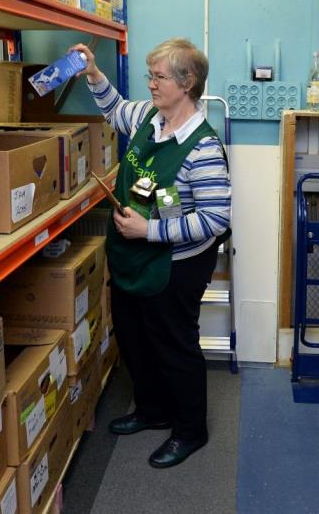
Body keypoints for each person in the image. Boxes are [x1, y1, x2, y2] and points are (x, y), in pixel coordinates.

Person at [71, 38, 232, 469]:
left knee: (173, 345)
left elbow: (216, 220)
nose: (151, 85)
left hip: (175, 264)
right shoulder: (148, 116)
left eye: (159, 77)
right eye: (151, 76)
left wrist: (152, 229)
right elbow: (115, 109)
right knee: (134, 338)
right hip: (132, 254)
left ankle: (189, 430)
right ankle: (152, 410)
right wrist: (93, 74)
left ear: (188, 82)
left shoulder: (203, 147)